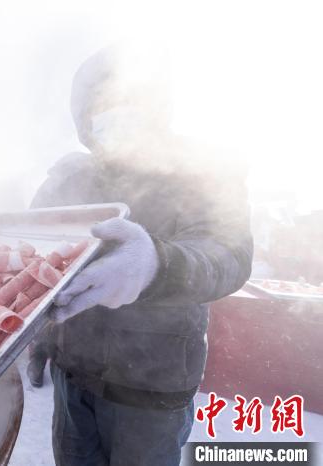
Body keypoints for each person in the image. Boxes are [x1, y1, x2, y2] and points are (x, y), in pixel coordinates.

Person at [30, 43, 253, 465]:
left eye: (126, 102)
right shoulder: (73, 177)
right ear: (84, 122)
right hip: (73, 377)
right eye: (98, 109)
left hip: (150, 393)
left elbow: (228, 255)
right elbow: (31, 247)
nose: (113, 116)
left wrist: (156, 265)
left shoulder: (202, 170)